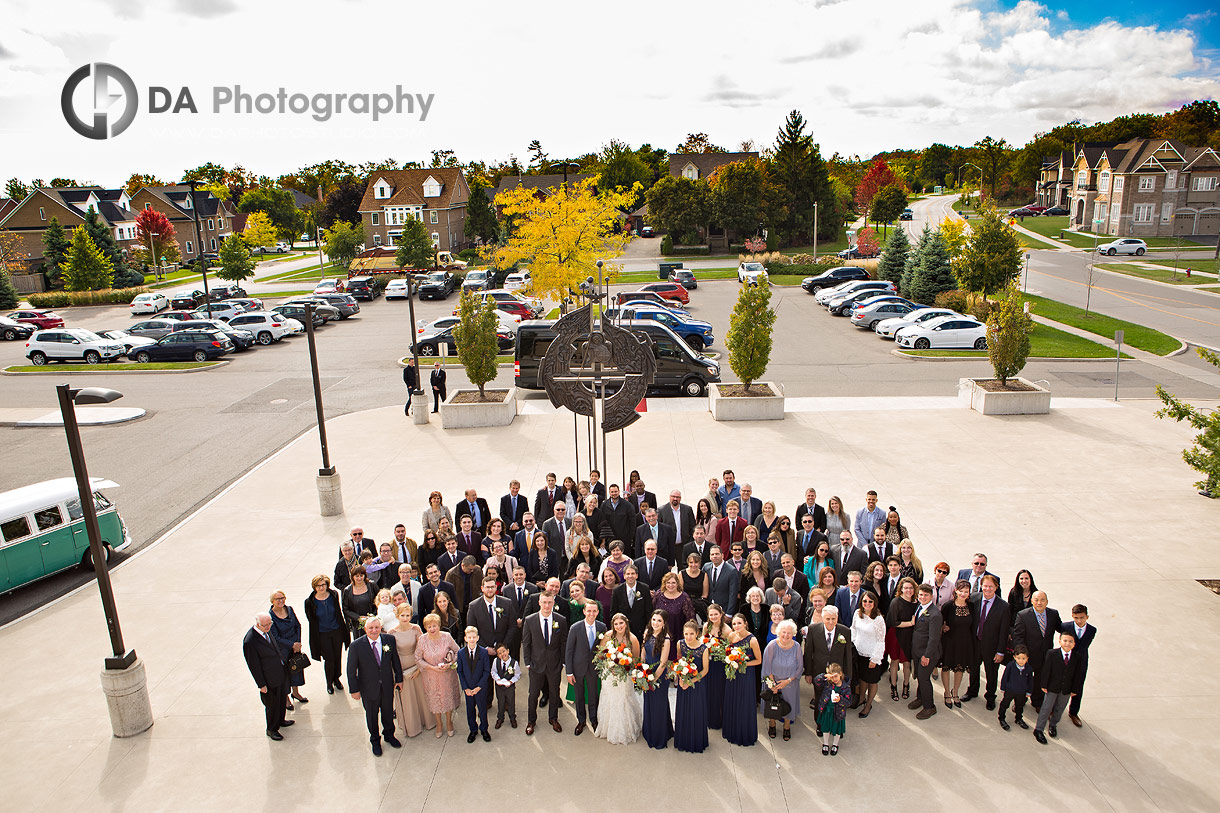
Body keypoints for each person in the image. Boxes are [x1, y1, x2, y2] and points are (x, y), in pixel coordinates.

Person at [347, 616, 404, 756]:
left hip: (386, 684)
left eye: (376, 627)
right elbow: (351, 670)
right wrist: (354, 690)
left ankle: (389, 735)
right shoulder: (356, 646)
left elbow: (395, 659)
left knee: (388, 712)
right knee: (372, 716)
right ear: (365, 629)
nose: (374, 630)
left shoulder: (389, 640)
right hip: (368, 688)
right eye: (371, 628)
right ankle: (375, 740)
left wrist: (399, 678)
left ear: (380, 628)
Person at [522, 592, 568, 735]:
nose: (547, 605)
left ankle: (553, 718)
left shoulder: (561, 620)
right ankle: (531, 721)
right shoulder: (530, 620)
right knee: (533, 694)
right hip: (536, 664)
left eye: (549, 602)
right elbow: (526, 643)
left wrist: (562, 662)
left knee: (555, 692)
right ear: (539, 603)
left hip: (554, 664)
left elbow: (563, 642)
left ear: (553, 603)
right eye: (544, 602)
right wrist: (528, 662)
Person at [595, 612, 644, 745]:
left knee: (623, 698)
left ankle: (626, 729)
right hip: (609, 674)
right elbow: (601, 653)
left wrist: (624, 666)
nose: (619, 626)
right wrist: (608, 665)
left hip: (624, 675)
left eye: (621, 623)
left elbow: (635, 660)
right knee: (609, 698)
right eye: (616, 624)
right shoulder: (608, 636)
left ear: (626, 623)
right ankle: (607, 727)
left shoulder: (632, 639)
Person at [965, 574, 1011, 709]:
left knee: (991, 673)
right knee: (973, 669)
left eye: (991, 586)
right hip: (975, 643)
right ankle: (972, 691)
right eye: (985, 586)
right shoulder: (973, 599)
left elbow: (1004, 632)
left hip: (992, 646)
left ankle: (990, 697)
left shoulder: (1004, 606)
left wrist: (1000, 651)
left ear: (996, 587)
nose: (987, 589)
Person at [1011, 590, 1062, 712]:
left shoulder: (1053, 614)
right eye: (1036, 600)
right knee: (1024, 679)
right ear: (1032, 601)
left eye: (1042, 600)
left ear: (1047, 601)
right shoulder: (1023, 615)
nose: (1039, 603)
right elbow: (1018, 636)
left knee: (1040, 679)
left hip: (1045, 655)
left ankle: (1037, 701)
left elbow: (1061, 628)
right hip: (1029, 654)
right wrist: (1022, 655)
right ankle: (1020, 701)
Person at [243, 612, 290, 741]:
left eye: (270, 624)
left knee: (281, 700)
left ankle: (281, 720)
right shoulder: (250, 641)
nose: (268, 627)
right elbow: (254, 666)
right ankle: (271, 729)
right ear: (258, 624)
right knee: (272, 705)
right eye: (265, 625)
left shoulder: (267, 630)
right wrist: (261, 684)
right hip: (268, 679)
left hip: (279, 673)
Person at [388, 603, 433, 737]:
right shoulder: (392, 633)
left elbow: (422, 649)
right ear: (397, 616)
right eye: (402, 615)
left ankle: (427, 720)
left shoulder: (416, 629)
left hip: (416, 665)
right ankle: (412, 726)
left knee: (421, 694)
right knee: (407, 698)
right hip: (401, 667)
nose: (405, 618)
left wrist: (419, 668)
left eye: (408, 615)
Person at [804, 604, 853, 720]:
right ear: (822, 618)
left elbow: (848, 656)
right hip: (819, 672)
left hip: (837, 674)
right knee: (819, 699)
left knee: (836, 701)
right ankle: (820, 724)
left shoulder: (845, 631)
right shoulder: (813, 630)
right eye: (827, 619)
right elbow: (808, 653)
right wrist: (808, 673)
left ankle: (835, 724)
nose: (830, 622)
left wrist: (848, 676)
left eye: (833, 619)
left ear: (837, 618)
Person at [303, 574, 349, 695]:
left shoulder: (333, 595)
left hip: (336, 631)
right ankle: (329, 682)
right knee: (329, 659)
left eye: (323, 585)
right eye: (318, 586)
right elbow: (311, 619)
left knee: (337, 656)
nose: (321, 588)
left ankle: (337, 678)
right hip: (322, 634)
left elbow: (339, 612)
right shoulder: (310, 602)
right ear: (314, 587)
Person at [417, 612, 461, 738]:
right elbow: (418, 658)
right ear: (425, 628)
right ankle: (439, 723)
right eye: (429, 626)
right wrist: (431, 668)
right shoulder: (422, 640)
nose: (432, 629)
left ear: (439, 626)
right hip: (431, 676)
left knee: (447, 699)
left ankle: (449, 722)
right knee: (435, 700)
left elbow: (458, 651)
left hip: (446, 675)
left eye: (435, 626)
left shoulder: (446, 636)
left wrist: (451, 663)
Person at [565, 600, 606, 735]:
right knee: (579, 695)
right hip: (578, 668)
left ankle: (594, 720)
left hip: (594, 668)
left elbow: (604, 649)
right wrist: (569, 672)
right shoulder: (575, 628)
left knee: (594, 694)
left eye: (594, 611)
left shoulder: (602, 627)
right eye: (589, 611)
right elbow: (569, 650)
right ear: (584, 611)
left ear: (598, 612)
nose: (591, 614)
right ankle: (581, 720)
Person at [1034, 632, 1082, 744]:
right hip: (1052, 687)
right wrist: (1044, 685)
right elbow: (1046, 670)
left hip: (1066, 689)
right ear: (1060, 641)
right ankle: (1039, 729)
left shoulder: (1077, 657)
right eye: (1065, 640)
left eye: (1070, 641)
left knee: (1060, 708)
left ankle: (1053, 725)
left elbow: (1077, 675)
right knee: (1046, 708)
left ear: (1074, 644)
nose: (1067, 643)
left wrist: (1075, 689)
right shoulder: (1052, 653)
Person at [722, 613, 762, 746]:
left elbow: (758, 660)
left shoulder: (752, 640)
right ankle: (731, 731)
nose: (736, 626)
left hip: (746, 675)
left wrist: (742, 664)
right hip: (732, 674)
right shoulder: (731, 636)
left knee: (744, 702)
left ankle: (744, 734)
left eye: (739, 623)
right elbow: (727, 652)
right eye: (734, 624)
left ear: (745, 623)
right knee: (732, 700)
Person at [762, 619, 804, 740]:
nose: (786, 635)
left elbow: (799, 667)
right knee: (772, 704)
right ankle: (772, 724)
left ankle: (786, 726)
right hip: (773, 682)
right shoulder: (772, 646)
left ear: (793, 634)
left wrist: (788, 681)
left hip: (790, 683)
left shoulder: (796, 647)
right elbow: (766, 666)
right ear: (779, 632)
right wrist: (772, 684)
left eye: (789, 633)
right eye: (784, 632)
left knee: (789, 703)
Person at [938, 579, 976, 709]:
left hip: (965, 642)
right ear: (956, 591)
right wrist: (943, 628)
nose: (963, 594)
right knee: (947, 667)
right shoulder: (948, 606)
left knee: (960, 668)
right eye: (961, 591)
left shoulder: (971, 606)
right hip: (949, 642)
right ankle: (947, 692)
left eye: (966, 591)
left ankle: (955, 692)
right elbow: (940, 623)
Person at [907, 584, 943, 720]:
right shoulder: (920, 607)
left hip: (927, 653)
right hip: (917, 650)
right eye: (921, 595)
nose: (922, 597)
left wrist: (927, 655)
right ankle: (920, 698)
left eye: (926, 595)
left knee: (923, 678)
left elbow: (934, 639)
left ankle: (929, 707)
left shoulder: (935, 614)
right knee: (919, 676)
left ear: (931, 596)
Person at [674, 621, 711, 753]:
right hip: (683, 683)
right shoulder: (680, 644)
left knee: (696, 711)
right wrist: (680, 679)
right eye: (686, 634)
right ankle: (682, 739)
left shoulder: (704, 649)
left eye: (691, 634)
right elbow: (678, 662)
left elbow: (705, 670)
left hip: (697, 685)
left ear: (697, 633)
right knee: (683, 710)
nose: (688, 637)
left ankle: (696, 740)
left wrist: (691, 682)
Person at [268, 591, 308, 709]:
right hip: (283, 649)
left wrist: (298, 643)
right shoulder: (271, 616)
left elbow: (298, 626)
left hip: (294, 645)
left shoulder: (289, 609)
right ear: (272, 601)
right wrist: (292, 644)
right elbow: (275, 637)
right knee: (285, 673)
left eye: (282, 598)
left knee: (296, 669)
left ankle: (295, 692)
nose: (280, 601)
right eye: (277, 599)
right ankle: (286, 699)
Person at [1059, 604, 1096, 727]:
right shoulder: (1065, 626)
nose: (1079, 621)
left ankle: (1073, 712)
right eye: (1076, 618)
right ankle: (1055, 709)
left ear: (1087, 617)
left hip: (1081, 662)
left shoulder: (1092, 630)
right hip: (1065, 660)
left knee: (1078, 686)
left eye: (1082, 617)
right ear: (1072, 616)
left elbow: (1084, 646)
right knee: (1059, 684)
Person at [641, 610, 674, 749]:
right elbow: (643, 652)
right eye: (654, 619)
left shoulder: (666, 639)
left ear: (664, 623)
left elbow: (663, 662)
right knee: (648, 702)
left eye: (659, 621)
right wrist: (642, 671)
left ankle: (659, 735)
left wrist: (653, 678)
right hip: (646, 672)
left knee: (658, 704)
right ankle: (650, 730)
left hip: (658, 676)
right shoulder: (647, 631)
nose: (655, 623)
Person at [851, 591, 886, 718]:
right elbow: (853, 629)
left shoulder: (878, 619)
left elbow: (881, 640)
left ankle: (868, 704)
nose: (867, 603)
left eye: (870, 601)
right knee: (862, 678)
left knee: (871, 680)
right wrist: (853, 643)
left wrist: (875, 658)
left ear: (874, 603)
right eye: (865, 601)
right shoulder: (857, 614)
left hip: (871, 655)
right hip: (859, 652)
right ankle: (861, 699)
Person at [885, 577, 919, 702]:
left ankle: (906, 685)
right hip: (896, 636)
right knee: (894, 661)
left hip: (909, 637)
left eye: (910, 588)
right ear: (901, 589)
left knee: (907, 663)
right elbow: (893, 622)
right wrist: (910, 623)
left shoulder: (917, 603)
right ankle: (893, 686)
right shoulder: (896, 602)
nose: (908, 590)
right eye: (906, 588)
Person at [456, 625, 492, 742]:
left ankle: (484, 729)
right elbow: (460, 671)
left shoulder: (483, 652)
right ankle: (473, 730)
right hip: (468, 688)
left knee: (482, 709)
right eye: (469, 637)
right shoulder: (461, 653)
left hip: (480, 688)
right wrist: (465, 688)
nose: (471, 639)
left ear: (477, 638)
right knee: (470, 710)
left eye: (474, 637)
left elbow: (487, 671)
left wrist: (479, 687)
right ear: (465, 638)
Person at [702, 604, 733, 730]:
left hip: (720, 664)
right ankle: (707, 717)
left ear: (721, 614)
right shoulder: (706, 626)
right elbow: (703, 642)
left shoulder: (727, 630)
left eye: (716, 614)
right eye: (711, 615)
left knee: (718, 692)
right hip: (708, 662)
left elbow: (730, 649)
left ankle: (717, 720)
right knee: (708, 690)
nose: (713, 617)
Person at [813, 663, 852, 756]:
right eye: (832, 677)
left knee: (837, 729)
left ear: (841, 674)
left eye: (836, 676)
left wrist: (840, 700)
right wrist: (825, 676)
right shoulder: (827, 684)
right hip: (827, 710)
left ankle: (835, 744)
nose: (834, 679)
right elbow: (816, 681)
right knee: (825, 728)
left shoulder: (846, 687)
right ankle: (825, 743)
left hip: (838, 712)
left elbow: (849, 702)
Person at [653, 571, 695, 655]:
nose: (670, 585)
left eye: (673, 583)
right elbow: (653, 612)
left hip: (677, 634)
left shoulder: (684, 597)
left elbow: (690, 618)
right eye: (668, 582)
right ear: (664, 583)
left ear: (677, 584)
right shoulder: (658, 595)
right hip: (660, 633)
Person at [610, 564, 653, 639]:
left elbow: (648, 610)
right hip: (623, 630)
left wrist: (648, 628)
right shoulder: (617, 590)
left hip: (640, 629)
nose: (630, 576)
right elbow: (613, 612)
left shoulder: (644, 588)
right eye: (628, 574)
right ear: (624, 576)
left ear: (636, 575)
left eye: (632, 573)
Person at [998, 645, 1033, 731]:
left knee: (1019, 706)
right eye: (1019, 658)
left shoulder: (1028, 669)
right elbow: (1005, 677)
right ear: (1014, 657)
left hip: (1021, 692)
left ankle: (1018, 719)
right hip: (1010, 690)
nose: (1021, 661)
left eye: (1023, 658)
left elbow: (1030, 681)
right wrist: (1003, 687)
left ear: (1027, 658)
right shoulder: (1010, 666)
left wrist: (1029, 692)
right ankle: (1001, 717)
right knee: (1005, 704)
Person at [490, 642, 520, 730]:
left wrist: (511, 681)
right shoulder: (496, 661)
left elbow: (517, 675)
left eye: (504, 651)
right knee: (501, 702)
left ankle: (512, 718)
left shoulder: (514, 663)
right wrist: (498, 679)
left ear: (508, 651)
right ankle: (500, 718)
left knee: (511, 702)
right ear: (497, 655)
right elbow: (493, 671)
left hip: (509, 686)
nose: (502, 654)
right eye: (499, 653)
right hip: (499, 686)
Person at [704, 545, 740, 615]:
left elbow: (733, 594)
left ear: (722, 555)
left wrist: (729, 613)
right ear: (710, 557)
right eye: (712, 554)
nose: (714, 556)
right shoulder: (706, 567)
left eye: (717, 554)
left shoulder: (731, 571)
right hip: (709, 610)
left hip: (724, 610)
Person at [341, 566, 377, 633]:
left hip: (373, 622)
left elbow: (379, 601)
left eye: (361, 575)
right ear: (352, 577)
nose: (359, 578)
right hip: (357, 625)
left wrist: (372, 615)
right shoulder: (347, 590)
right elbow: (346, 609)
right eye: (357, 576)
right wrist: (358, 618)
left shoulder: (372, 585)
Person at [680, 551, 709, 618]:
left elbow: (705, 594)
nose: (693, 565)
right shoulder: (681, 573)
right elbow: (680, 591)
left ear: (699, 563)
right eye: (691, 562)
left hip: (699, 605)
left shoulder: (704, 575)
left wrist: (697, 604)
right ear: (688, 563)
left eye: (696, 562)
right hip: (685, 604)